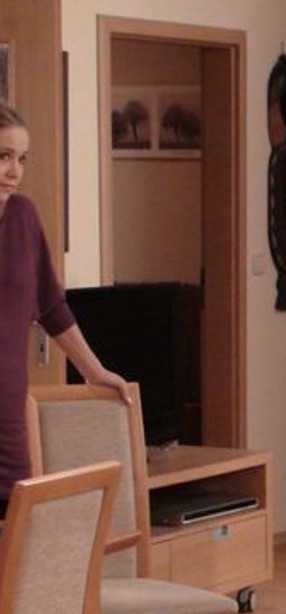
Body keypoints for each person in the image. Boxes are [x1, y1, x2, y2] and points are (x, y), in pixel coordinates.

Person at [0, 101, 128, 517]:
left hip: (8, 421)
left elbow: (52, 306)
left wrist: (93, 370)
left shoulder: (23, 216)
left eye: (22, 159)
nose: (14, 171)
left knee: (17, 532)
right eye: (4, 156)